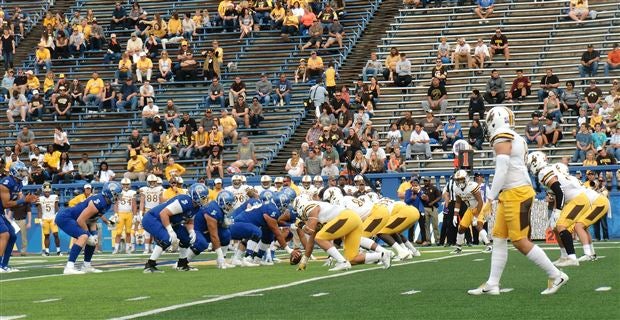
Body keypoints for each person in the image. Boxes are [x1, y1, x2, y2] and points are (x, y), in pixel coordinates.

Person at [468, 107, 567, 296]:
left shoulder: (502, 135)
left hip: (517, 193)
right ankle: (492, 283)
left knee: (520, 241)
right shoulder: (516, 137)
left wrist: (489, 198)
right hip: (511, 193)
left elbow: (502, 169)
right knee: (498, 238)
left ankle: (556, 275)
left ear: (494, 120)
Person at [55, 182, 121, 274]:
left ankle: (86, 265)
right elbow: (81, 220)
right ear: (109, 193)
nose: (118, 197)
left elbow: (92, 219)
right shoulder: (99, 202)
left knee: (93, 240)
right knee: (84, 236)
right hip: (65, 217)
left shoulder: (107, 203)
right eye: (116, 194)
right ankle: (69, 267)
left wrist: (107, 224)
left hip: (74, 219)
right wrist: (89, 235)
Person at [142, 184, 209, 272]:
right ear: (195, 196)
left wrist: (191, 230)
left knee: (186, 238)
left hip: (170, 221)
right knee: (167, 238)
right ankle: (149, 265)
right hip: (153, 218)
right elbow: (163, 214)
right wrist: (170, 230)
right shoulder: (184, 201)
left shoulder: (196, 206)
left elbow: (189, 220)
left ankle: (182, 265)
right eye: (203, 197)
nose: (205, 200)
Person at [451, 170, 492, 254]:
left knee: (478, 225)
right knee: (461, 228)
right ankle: (458, 247)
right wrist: (455, 215)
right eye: (457, 180)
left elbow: (480, 201)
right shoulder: (456, 188)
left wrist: (476, 216)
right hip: (470, 209)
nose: (459, 181)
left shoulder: (472, 186)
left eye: (461, 179)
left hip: (479, 207)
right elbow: (458, 202)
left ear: (466, 178)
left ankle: (489, 246)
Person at [113, 178, 137, 254]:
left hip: (129, 213)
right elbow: (116, 203)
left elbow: (134, 204)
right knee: (119, 232)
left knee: (128, 232)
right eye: (124, 184)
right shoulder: (118, 192)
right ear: (122, 185)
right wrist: (116, 213)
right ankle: (116, 248)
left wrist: (135, 215)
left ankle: (127, 248)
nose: (126, 186)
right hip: (121, 213)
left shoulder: (132, 192)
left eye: (127, 184)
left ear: (129, 185)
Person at [37, 182, 61, 256]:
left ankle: (58, 251)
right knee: (46, 235)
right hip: (45, 218)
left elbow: (57, 208)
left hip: (53, 218)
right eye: (45, 191)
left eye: (48, 191)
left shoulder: (54, 197)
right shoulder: (40, 198)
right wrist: (40, 220)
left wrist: (57, 217)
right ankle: (47, 251)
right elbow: (39, 210)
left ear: (50, 190)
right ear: (43, 191)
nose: (47, 193)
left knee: (56, 234)